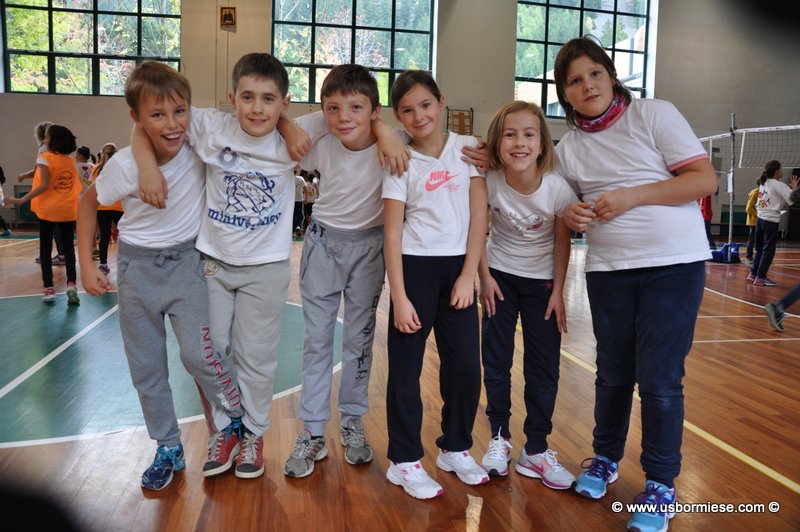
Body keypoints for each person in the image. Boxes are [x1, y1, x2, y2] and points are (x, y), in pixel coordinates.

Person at [133, 52, 328, 480]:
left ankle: (253, 435)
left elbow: (349, 113)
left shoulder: (298, 133)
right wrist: (146, 167)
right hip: (212, 264)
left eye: (269, 100)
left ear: (284, 103)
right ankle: (225, 428)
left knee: (257, 357)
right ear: (231, 97)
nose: (257, 108)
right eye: (247, 97)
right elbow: (146, 120)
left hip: (267, 267)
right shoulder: (210, 125)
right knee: (208, 351)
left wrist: (387, 138)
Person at [552, 36, 717, 532]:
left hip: (674, 266)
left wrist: (631, 196)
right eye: (575, 81)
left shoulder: (653, 114)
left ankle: (661, 484)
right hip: (608, 271)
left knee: (660, 379)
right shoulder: (568, 149)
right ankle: (605, 458)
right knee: (612, 373)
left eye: (594, 73)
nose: (588, 86)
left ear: (610, 74)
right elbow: (563, 208)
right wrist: (572, 213)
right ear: (565, 93)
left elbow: (703, 180)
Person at [77, 61, 246, 491]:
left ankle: (235, 418)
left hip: (187, 264)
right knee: (147, 368)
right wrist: (86, 264)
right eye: (157, 115)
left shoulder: (197, 146)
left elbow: (250, 116)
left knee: (199, 354)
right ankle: (168, 446)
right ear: (136, 118)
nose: (172, 124)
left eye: (179, 111)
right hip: (136, 271)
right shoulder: (125, 165)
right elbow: (87, 204)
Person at [382, 70, 489, 499]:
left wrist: (468, 275)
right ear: (398, 116)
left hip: (458, 271)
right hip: (414, 270)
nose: (419, 115)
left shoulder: (468, 149)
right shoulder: (400, 161)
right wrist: (399, 296)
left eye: (425, 104)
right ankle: (404, 460)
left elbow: (479, 216)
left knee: (464, 368)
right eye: (407, 110)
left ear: (441, 103)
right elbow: (392, 233)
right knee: (405, 371)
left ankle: (455, 447)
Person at [283, 64, 390, 479]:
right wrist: (315, 119)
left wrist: (383, 130)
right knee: (317, 341)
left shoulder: (394, 143)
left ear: (375, 110)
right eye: (333, 108)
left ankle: (351, 420)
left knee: (359, 340)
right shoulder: (322, 142)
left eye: (356, 107)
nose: (344, 117)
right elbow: (285, 127)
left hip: (370, 248)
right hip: (324, 246)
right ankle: (312, 430)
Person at [477, 101, 577, 490]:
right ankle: (499, 438)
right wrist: (484, 277)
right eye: (510, 134)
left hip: (542, 285)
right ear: (497, 142)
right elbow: (477, 229)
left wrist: (558, 291)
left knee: (543, 367)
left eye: (528, 134)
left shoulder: (557, 188)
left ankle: (536, 449)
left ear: (541, 143)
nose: (519, 143)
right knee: (496, 361)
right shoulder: (488, 180)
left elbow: (562, 241)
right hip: (500, 278)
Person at [5, 124, 81, 305]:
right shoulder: (70, 161)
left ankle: (49, 288)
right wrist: (27, 175)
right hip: (67, 209)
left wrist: (21, 200)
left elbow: (45, 184)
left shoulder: (44, 157)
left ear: (54, 141)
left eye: (46, 137)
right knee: (69, 248)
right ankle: (71, 284)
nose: (44, 140)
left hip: (48, 209)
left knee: (45, 249)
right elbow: (56, 177)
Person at [19, 121, 66, 265]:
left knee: (49, 225)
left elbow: (37, 171)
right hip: (60, 189)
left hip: (47, 192)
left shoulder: (43, 149)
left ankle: (56, 255)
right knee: (57, 225)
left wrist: (24, 175)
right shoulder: (60, 149)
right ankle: (60, 254)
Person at [748, 160, 798, 286]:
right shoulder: (778, 185)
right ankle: (761, 277)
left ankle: (753, 273)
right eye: (781, 168)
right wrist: (794, 188)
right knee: (768, 250)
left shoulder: (764, 183)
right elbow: (793, 200)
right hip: (770, 221)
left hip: (760, 220)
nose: (782, 170)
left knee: (760, 249)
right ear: (776, 171)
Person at [91, 143, 123, 274]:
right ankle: (124, 263)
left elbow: (94, 188)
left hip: (102, 206)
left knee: (104, 236)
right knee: (125, 236)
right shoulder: (120, 167)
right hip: (118, 206)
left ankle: (103, 264)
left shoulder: (96, 169)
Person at [744, 182, 759, 263]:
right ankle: (749, 255)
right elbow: (748, 208)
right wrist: (759, 214)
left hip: (762, 220)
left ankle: (759, 257)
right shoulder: (755, 193)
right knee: (752, 239)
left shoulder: (765, 193)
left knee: (760, 240)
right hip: (754, 221)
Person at [293, 166, 305, 236]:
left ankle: (294, 231)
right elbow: (305, 188)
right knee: (300, 215)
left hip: (292, 200)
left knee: (293, 215)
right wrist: (306, 198)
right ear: (296, 172)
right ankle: (298, 226)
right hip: (299, 199)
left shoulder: (289, 179)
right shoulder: (301, 178)